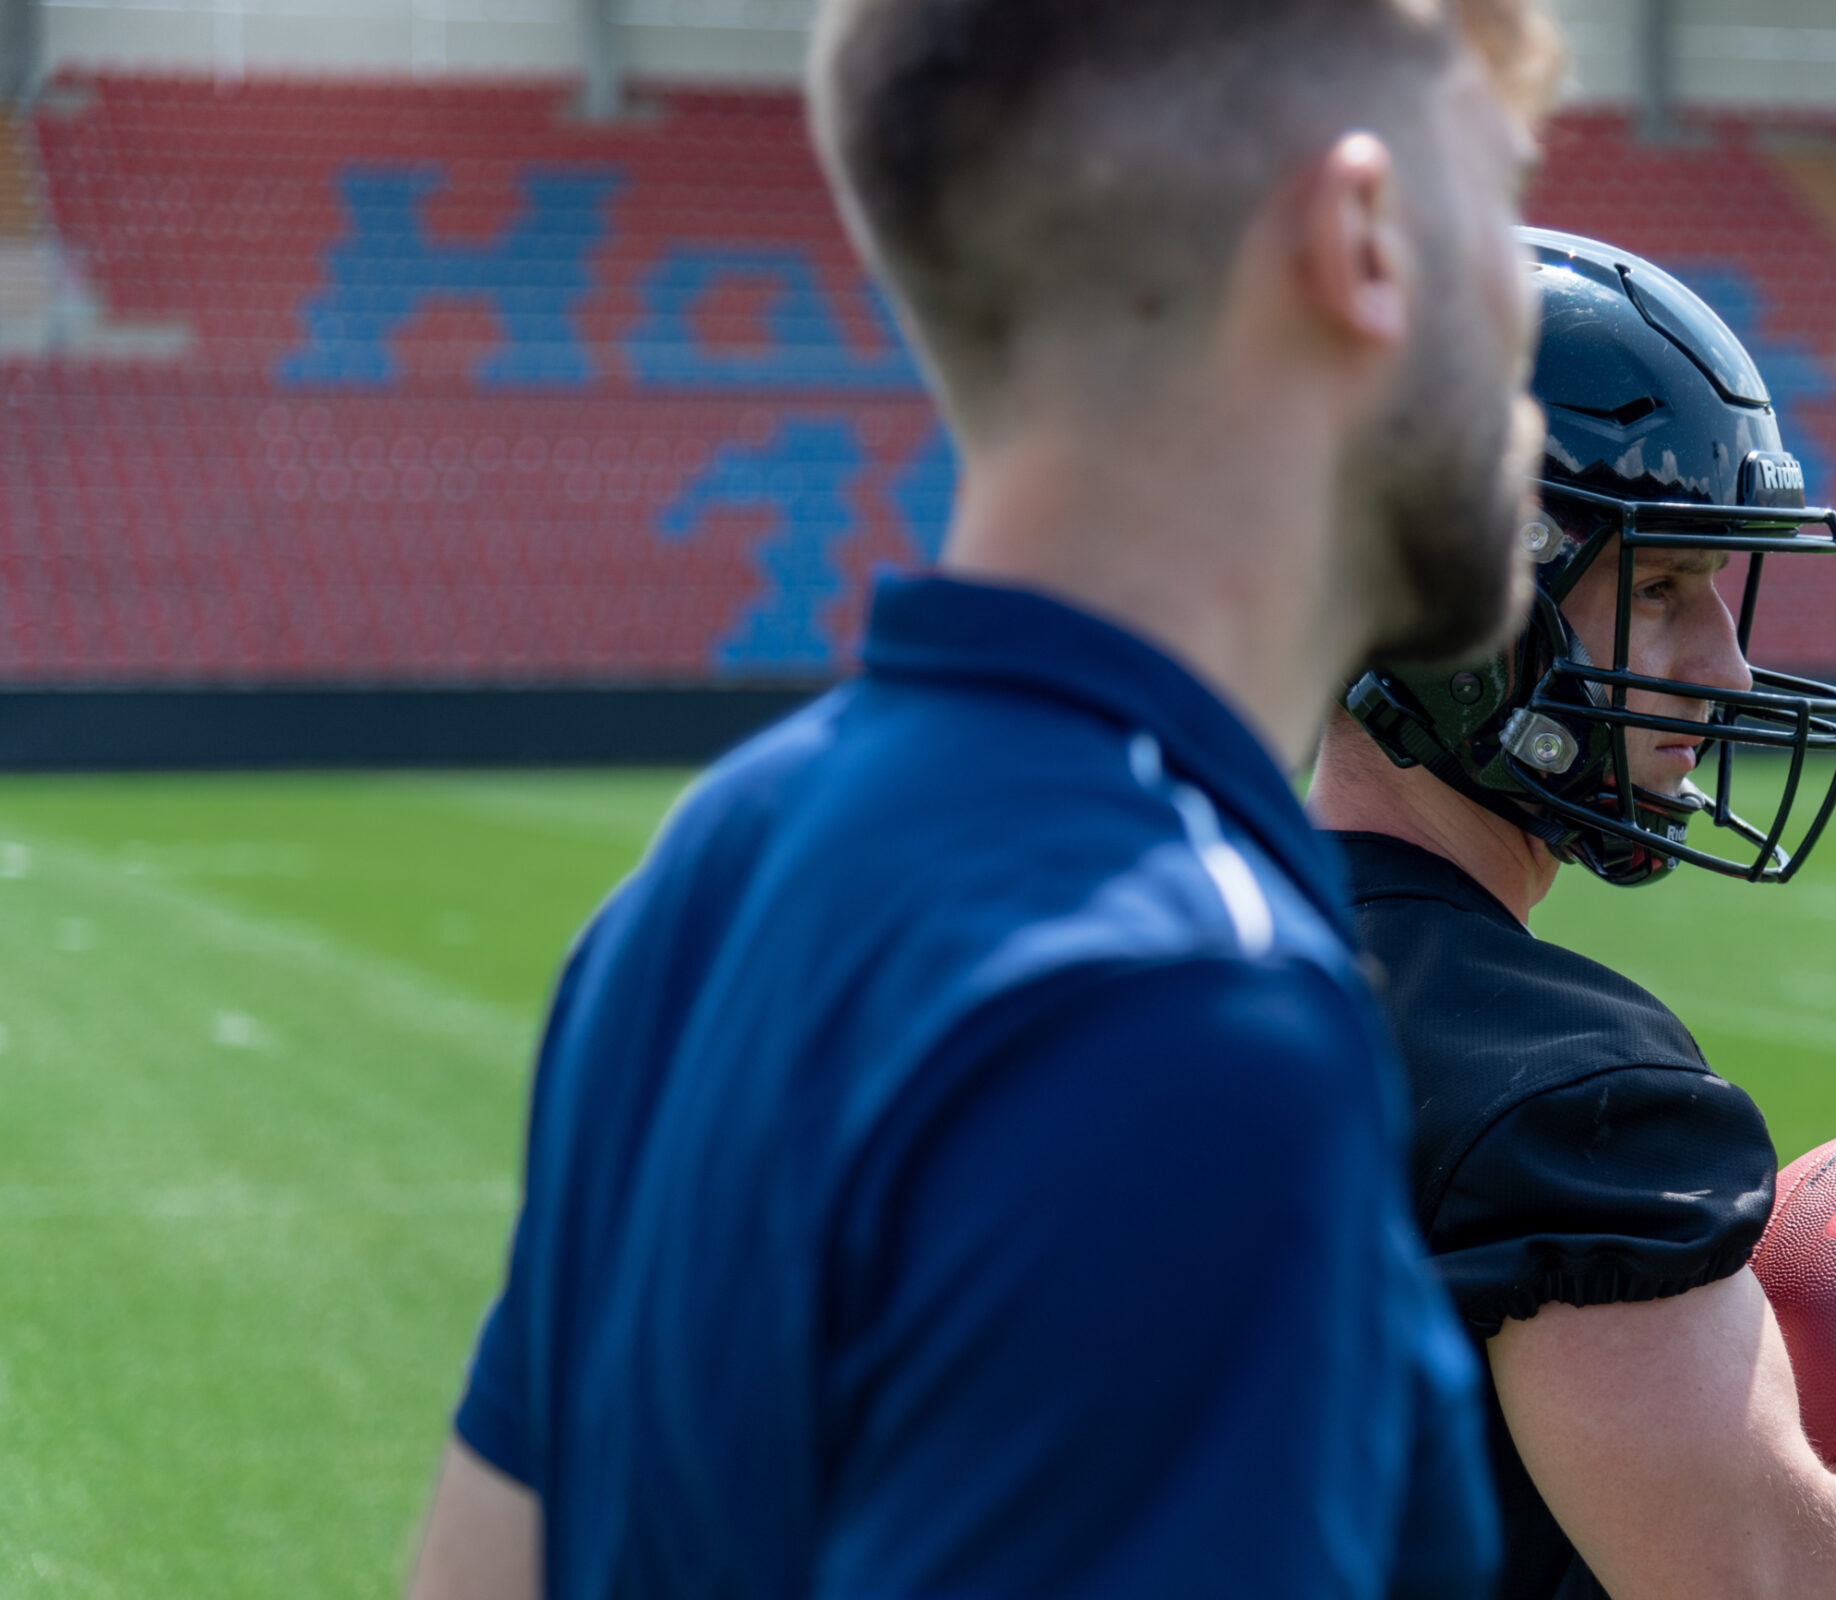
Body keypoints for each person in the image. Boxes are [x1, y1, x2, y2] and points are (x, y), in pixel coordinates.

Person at [405, 4, 1564, 1597]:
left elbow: (483, 1569)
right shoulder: (1174, 1009)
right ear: (1361, 237)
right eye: (1500, 203)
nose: (1532, 337)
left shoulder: (711, 864)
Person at [1311, 229, 1836, 1600]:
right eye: (1660, 592)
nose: (1720, 670)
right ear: (1457, 616)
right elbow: (1767, 1580)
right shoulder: (1568, 1100)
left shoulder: (1160, 955)